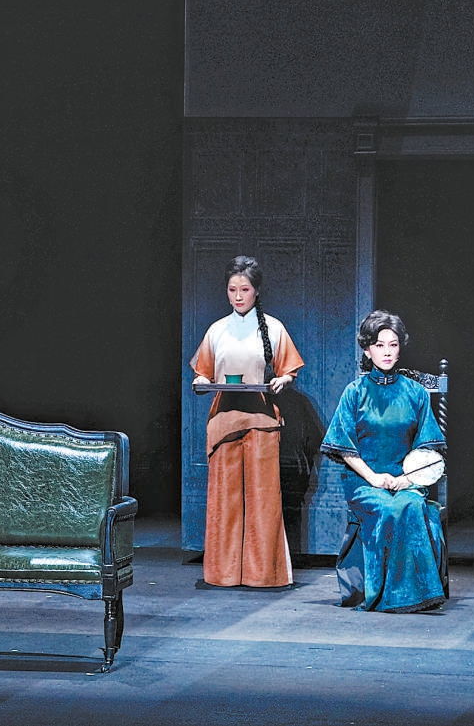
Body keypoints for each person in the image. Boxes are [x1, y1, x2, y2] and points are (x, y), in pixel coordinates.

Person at [320, 310, 447, 613]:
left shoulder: (415, 393)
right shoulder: (355, 392)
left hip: (406, 479)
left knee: (410, 504)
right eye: (379, 345)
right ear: (367, 350)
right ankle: (389, 596)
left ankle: (418, 595)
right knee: (389, 508)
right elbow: (344, 447)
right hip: (364, 481)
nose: (387, 352)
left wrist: (407, 479)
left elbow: (429, 450)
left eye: (393, 344)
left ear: (400, 347)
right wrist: (374, 478)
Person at [190, 255, 304, 588]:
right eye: (232, 290)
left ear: (256, 291)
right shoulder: (217, 330)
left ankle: (263, 574)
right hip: (224, 422)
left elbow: (289, 371)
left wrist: (283, 380)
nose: (238, 296)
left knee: (262, 500)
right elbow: (202, 372)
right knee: (225, 501)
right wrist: (201, 382)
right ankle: (223, 573)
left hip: (262, 421)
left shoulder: (274, 328)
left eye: (244, 289)